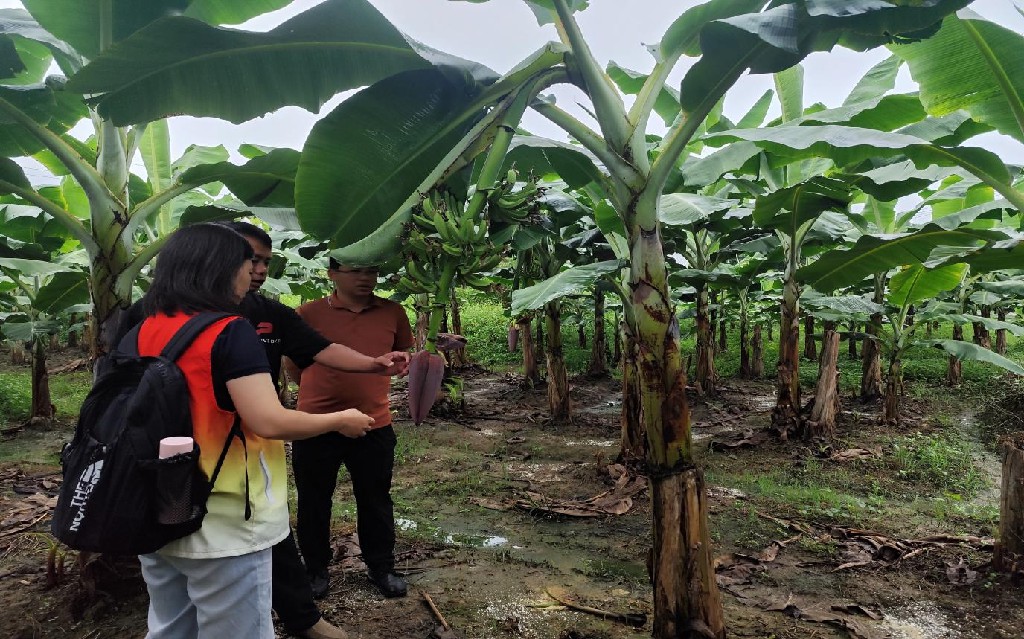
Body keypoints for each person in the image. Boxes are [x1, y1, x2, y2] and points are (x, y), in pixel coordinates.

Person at [117, 221, 410, 639]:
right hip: (227, 511)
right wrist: (338, 420)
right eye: (246, 261)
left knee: (171, 627)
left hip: (160, 503)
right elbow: (268, 420)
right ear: (220, 267)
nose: (253, 271)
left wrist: (371, 364)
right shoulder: (229, 330)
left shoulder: (144, 325)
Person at [285, 257, 414, 600]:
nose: (365, 277)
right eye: (355, 270)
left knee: (375, 499)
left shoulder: (393, 312)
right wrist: (318, 391)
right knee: (313, 501)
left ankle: (381, 567)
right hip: (316, 425)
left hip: (374, 423)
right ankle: (315, 570)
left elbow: (399, 352)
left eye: (371, 269)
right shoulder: (308, 314)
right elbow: (293, 363)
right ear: (332, 274)